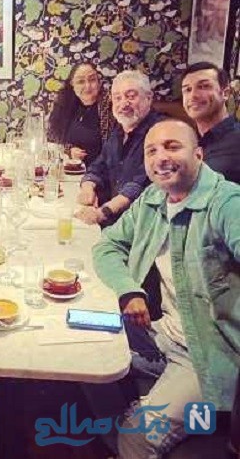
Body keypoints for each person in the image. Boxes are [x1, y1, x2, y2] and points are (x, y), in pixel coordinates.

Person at [92, 119, 240, 459]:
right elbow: (107, 246)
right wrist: (128, 290)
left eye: (173, 147)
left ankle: (138, 434)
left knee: (136, 438)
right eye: (152, 150)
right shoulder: (154, 197)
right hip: (161, 334)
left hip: (208, 355)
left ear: (199, 155)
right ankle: (134, 420)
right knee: (83, 343)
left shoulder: (226, 203)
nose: (160, 157)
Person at [77, 70, 163, 226]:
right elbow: (99, 166)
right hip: (115, 220)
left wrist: (103, 212)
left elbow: (140, 186)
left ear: (148, 98)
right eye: (117, 98)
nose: (123, 104)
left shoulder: (160, 132)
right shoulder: (120, 129)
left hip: (140, 225)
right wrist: (88, 187)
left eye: (131, 96)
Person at [181, 61, 240, 184]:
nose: (193, 95)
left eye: (203, 86)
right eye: (187, 89)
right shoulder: (185, 140)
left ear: (225, 93)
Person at [48, 63, 115, 166]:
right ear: (72, 84)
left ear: (98, 81)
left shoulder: (110, 106)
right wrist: (68, 150)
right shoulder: (65, 104)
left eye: (92, 80)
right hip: (69, 169)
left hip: (100, 171)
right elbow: (52, 138)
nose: (88, 86)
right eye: (81, 81)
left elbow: (113, 151)